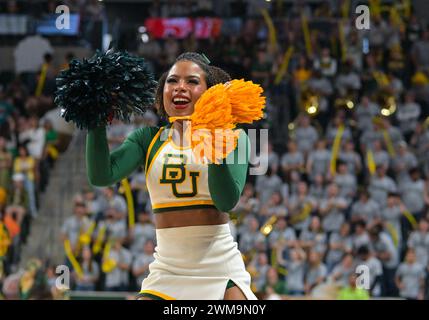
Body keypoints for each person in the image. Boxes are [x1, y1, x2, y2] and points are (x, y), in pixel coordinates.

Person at [86, 52, 257, 300]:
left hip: (219, 269)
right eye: (173, 80)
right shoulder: (147, 139)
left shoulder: (234, 137)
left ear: (211, 92)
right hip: (167, 270)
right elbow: (101, 176)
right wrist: (95, 119)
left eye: (192, 81)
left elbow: (226, 201)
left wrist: (214, 139)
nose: (180, 88)